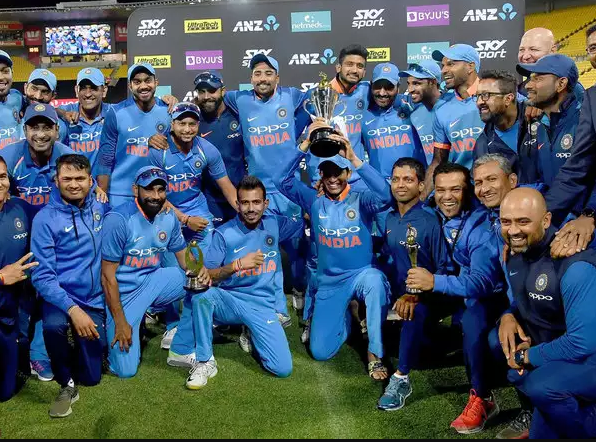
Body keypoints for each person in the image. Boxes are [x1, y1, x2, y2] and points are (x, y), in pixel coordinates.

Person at [277, 119, 393, 380]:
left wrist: (354, 158)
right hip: (330, 282)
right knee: (321, 351)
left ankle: (374, 354)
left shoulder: (361, 199)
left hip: (362, 274)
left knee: (375, 282)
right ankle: (348, 315)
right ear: (320, 174)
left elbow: (386, 196)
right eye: (327, 173)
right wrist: (305, 144)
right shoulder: (313, 200)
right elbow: (280, 180)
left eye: (338, 172)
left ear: (348, 173)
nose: (332, 178)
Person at [407, 162, 507, 434]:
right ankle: (407, 369)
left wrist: (434, 281)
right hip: (453, 286)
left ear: (468, 191)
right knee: (415, 309)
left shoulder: (481, 228)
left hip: (490, 295)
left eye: (456, 189)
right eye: (441, 190)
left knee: (472, 321)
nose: (447, 197)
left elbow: (481, 284)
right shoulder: (431, 211)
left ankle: (482, 397)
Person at [186, 175, 303, 389]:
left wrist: (317, 199)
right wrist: (236, 265)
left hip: (262, 306)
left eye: (256, 202)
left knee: (282, 368)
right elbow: (207, 274)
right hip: (230, 302)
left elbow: (304, 219)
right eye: (245, 203)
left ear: (265, 204)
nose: (251, 208)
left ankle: (251, 331)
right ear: (237, 204)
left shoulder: (275, 224)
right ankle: (205, 361)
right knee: (201, 296)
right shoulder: (224, 234)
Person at [497, 188, 596, 438]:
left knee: (541, 385)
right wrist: (507, 315)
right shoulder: (515, 253)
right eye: (506, 221)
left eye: (523, 221)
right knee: (503, 351)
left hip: (588, 355)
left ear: (546, 220)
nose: (513, 230)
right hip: (562, 351)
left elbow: (582, 343)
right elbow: (524, 300)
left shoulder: (575, 265)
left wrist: (526, 357)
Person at [148, 102, 237, 364]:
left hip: (199, 213)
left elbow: (226, 185)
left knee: (202, 271)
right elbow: (156, 197)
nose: (187, 129)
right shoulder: (158, 151)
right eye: (182, 123)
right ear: (172, 125)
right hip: (167, 215)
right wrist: (184, 220)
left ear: (198, 125)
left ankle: (197, 321)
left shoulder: (206, 149)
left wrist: (245, 210)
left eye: (192, 124)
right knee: (173, 273)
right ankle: (172, 325)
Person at [101, 166, 211, 378]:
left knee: (200, 284)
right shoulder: (118, 219)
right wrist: (121, 321)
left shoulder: (169, 217)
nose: (156, 196)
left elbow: (183, 256)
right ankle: (124, 325)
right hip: (124, 294)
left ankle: (182, 346)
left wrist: (199, 270)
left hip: (153, 281)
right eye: (149, 189)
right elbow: (107, 277)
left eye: (161, 190)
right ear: (135, 190)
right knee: (125, 371)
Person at [224, 54, 308, 325]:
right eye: (258, 73)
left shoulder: (292, 96)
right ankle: (273, 303)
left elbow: (323, 97)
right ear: (251, 79)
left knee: (297, 247)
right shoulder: (239, 99)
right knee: (266, 250)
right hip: (258, 192)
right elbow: (211, 98)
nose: (263, 78)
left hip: (289, 188)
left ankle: (300, 289)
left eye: (268, 73)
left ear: (278, 78)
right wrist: (170, 101)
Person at [30, 154, 109, 418]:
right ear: (56, 180)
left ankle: (77, 346)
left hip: (94, 299)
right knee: (54, 326)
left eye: (79, 178)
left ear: (90, 180)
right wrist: (73, 310)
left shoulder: (101, 206)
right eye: (67, 179)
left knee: (93, 377)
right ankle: (66, 382)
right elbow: (42, 276)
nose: (74, 184)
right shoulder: (44, 219)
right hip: (60, 297)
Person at [376, 157, 450, 411]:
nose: (400, 185)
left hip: (428, 295)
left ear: (420, 186)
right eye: (396, 179)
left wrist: (416, 294)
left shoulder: (430, 220)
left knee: (412, 311)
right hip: (400, 291)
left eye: (408, 179)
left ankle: (401, 379)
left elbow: (444, 267)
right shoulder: (389, 218)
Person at [473, 154, 532, 439]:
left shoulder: (540, 212)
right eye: (478, 182)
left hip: (555, 311)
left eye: (491, 179)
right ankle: (530, 410)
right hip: (520, 307)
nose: (484, 188)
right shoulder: (488, 226)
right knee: (498, 340)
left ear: (513, 180)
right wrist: (509, 313)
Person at [540, 25, 596, 256]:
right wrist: (538, 217)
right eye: (593, 48)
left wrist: (591, 212)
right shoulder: (592, 98)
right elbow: (577, 166)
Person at [97, 63, 172, 207]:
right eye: (137, 82)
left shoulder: (169, 110)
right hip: (120, 193)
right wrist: (102, 197)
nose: (143, 86)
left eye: (147, 80)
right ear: (130, 86)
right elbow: (105, 158)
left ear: (156, 82)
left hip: (156, 193)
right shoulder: (116, 113)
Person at [362, 63, 425, 233]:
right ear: (371, 86)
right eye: (378, 86)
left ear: (398, 86)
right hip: (382, 193)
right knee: (389, 243)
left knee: (418, 242)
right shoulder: (363, 115)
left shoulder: (413, 106)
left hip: (416, 191)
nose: (382, 93)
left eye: (389, 87)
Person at [0, 155, 39, 402]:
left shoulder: (21, 208)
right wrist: (1, 277)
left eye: (2, 176)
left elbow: (52, 217)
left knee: (5, 392)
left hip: (13, 309)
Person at [423, 44, 484, 198]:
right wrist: (421, 200)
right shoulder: (442, 109)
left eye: (451, 64)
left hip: (496, 188)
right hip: (461, 193)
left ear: (470, 66)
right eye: (443, 65)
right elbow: (439, 160)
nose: (443, 71)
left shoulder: (496, 95)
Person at [194, 71, 245, 226]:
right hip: (210, 201)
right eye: (201, 92)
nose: (206, 96)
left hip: (242, 195)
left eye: (212, 91)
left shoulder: (239, 113)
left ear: (223, 91)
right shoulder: (192, 121)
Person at [56, 68, 110, 176]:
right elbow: (43, 109)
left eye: (93, 88)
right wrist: (63, 113)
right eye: (83, 88)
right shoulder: (66, 112)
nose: (88, 94)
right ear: (77, 91)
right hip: (74, 183)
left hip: (104, 184)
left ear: (104, 91)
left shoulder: (113, 113)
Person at [473, 71, 526, 174]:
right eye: (477, 96)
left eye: (486, 95)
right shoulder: (482, 146)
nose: (479, 102)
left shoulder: (537, 119)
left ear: (508, 99)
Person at [398, 60, 444, 165]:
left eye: (416, 83)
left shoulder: (452, 107)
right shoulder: (415, 116)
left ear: (433, 82)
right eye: (409, 84)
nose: (410, 89)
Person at [0, 50, 25, 150]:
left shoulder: (17, 96)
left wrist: (62, 112)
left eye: (5, 71)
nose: (1, 77)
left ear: (12, 74)